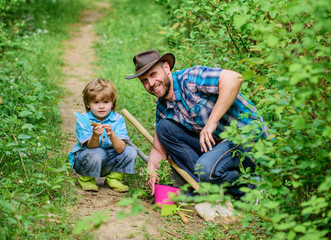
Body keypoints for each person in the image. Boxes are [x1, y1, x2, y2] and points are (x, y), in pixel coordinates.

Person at [125, 49, 267, 198]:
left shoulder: (190, 78)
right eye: (144, 81)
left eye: (153, 75)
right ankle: (209, 187)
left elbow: (234, 78)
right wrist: (152, 172)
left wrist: (212, 122)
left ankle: (252, 187)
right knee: (164, 128)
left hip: (246, 132)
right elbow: (159, 150)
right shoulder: (162, 107)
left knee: (205, 169)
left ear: (166, 68)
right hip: (220, 144)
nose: (151, 83)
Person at [68, 78, 137, 192]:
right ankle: (86, 179)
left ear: (112, 103)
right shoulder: (84, 120)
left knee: (131, 151)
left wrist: (112, 135)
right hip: (87, 161)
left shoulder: (117, 119)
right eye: (96, 102)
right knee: (98, 152)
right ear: (88, 104)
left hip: (107, 162)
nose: (101, 106)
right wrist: (95, 135)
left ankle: (114, 178)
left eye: (106, 102)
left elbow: (120, 149)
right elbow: (91, 147)